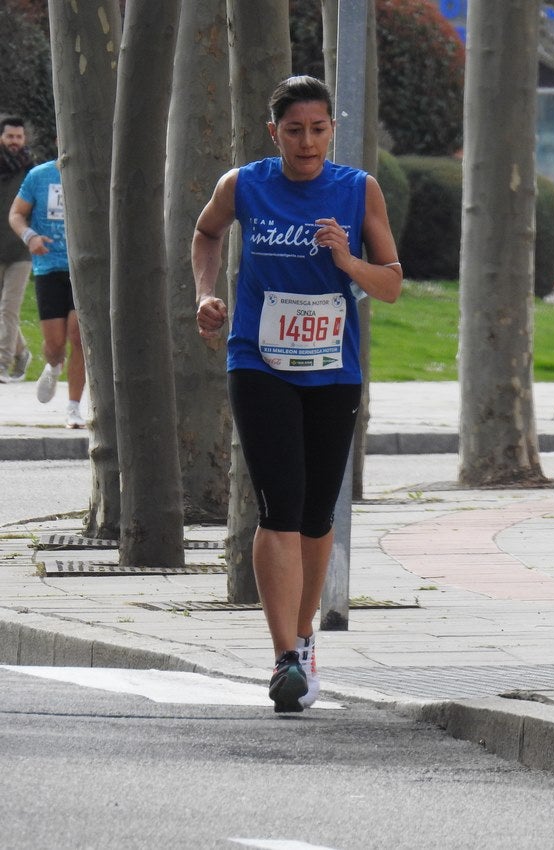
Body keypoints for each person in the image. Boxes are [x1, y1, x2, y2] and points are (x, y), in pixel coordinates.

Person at [193, 75, 402, 713]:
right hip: (259, 363)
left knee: (315, 517)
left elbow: (391, 284)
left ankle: (305, 634)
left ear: (331, 129)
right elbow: (206, 234)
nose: (306, 142)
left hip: (332, 370)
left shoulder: (358, 190)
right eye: (293, 130)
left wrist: (347, 262)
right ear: (273, 132)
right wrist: (204, 294)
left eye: (317, 130)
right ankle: (285, 656)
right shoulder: (244, 184)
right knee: (278, 507)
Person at [7, 151, 86, 428]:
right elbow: (16, 213)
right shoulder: (39, 176)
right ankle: (53, 366)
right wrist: (30, 237)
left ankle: (74, 407)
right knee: (55, 344)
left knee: (80, 338)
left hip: (84, 267)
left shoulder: (94, 173)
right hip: (48, 266)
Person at [0, 117, 33, 383]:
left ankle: (2, 363)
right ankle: (22, 353)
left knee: (8, 310)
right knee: (3, 314)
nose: (14, 142)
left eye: (18, 137)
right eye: (10, 136)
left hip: (20, 253)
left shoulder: (30, 171)